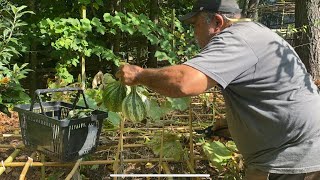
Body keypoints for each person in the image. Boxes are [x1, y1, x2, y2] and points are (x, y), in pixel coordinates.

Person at [116, 0, 320, 179]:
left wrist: (139, 75)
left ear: (217, 22)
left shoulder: (235, 39)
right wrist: (227, 124)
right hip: (297, 149)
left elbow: (184, 82)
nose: (194, 32)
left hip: (292, 158)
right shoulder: (254, 33)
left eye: (196, 25)